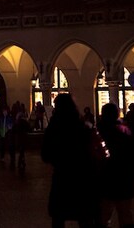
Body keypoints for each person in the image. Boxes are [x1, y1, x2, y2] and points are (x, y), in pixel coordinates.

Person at [41, 92, 103, 228]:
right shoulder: (82, 126)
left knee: (59, 216)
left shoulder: (54, 128)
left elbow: (45, 154)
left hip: (62, 177)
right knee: (84, 215)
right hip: (83, 177)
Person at [97, 102, 134, 228]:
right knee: (125, 212)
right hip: (124, 177)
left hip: (104, 177)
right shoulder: (125, 131)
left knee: (104, 214)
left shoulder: (98, 132)